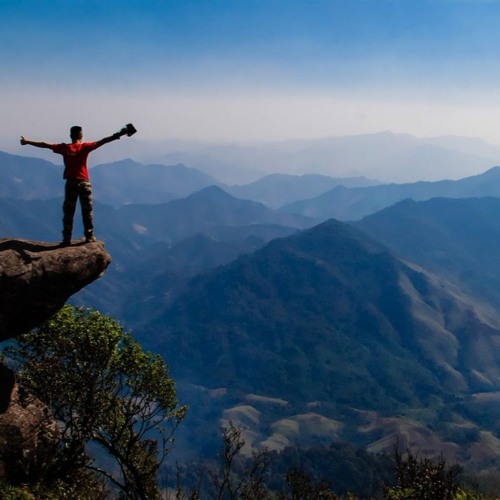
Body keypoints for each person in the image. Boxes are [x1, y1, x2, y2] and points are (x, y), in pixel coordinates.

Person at [20, 125, 133, 245]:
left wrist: (27, 142)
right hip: (84, 182)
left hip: (71, 183)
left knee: (69, 211)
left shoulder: (64, 148)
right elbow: (103, 141)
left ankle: (67, 239)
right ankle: (89, 236)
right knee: (87, 210)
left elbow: (45, 144)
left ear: (71, 136)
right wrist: (120, 134)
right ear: (81, 136)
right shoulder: (85, 147)